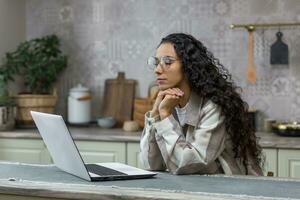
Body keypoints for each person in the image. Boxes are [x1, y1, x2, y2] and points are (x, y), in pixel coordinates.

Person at [139, 33, 263, 175]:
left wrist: (165, 116)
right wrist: (155, 115)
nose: (157, 70)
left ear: (188, 65)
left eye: (167, 62)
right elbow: (150, 165)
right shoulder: (168, 105)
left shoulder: (213, 107)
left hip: (231, 190)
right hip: (193, 189)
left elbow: (187, 165)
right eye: (156, 62)